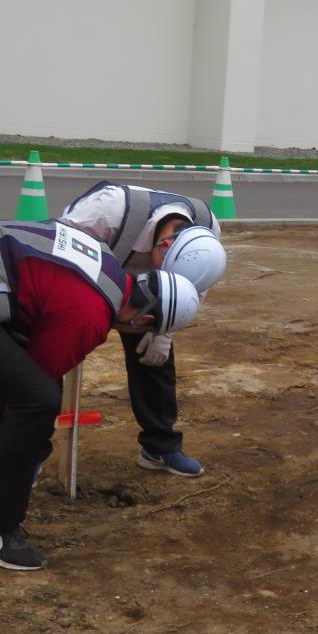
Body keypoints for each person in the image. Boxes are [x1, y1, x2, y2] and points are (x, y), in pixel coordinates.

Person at [0, 219, 200, 571]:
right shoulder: (90, 316)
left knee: (22, 386)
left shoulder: (106, 263)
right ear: (144, 320)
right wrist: (32, 453)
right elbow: (40, 385)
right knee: (35, 398)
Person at [60, 182, 226, 478]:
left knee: (155, 359)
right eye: (168, 272)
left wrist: (164, 331)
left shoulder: (205, 231)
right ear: (163, 246)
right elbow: (57, 256)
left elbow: (191, 292)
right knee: (51, 359)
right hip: (86, 274)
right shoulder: (105, 212)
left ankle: (159, 446)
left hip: (144, 293)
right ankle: (28, 450)